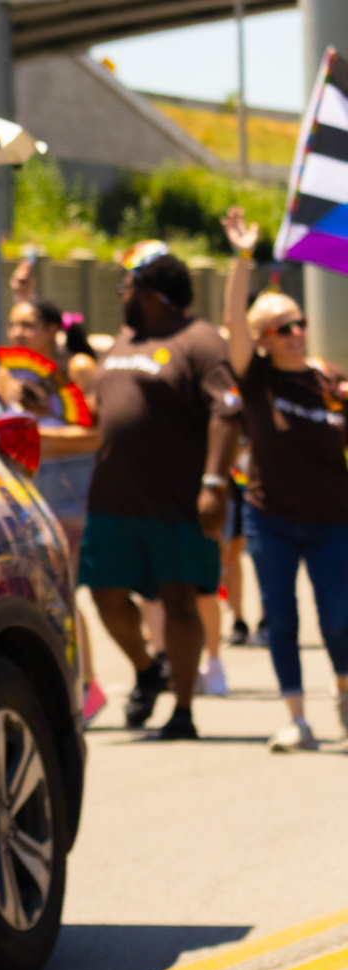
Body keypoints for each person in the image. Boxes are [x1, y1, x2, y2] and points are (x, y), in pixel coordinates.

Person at [78, 241, 242, 739]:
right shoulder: (123, 341)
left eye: (127, 285)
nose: (121, 294)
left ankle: (184, 711)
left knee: (179, 604)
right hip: (112, 501)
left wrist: (215, 482)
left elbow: (228, 410)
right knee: (105, 595)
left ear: (152, 293)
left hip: (175, 502)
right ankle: (149, 672)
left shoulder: (200, 341)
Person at [221, 207, 348, 751]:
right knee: (282, 618)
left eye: (300, 324)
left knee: (340, 619)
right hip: (271, 518)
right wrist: (243, 258)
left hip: (333, 520)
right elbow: (233, 324)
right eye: (282, 328)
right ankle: (295, 716)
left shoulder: (330, 381)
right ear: (262, 339)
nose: (297, 334)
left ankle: (344, 695)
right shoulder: (257, 381)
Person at [0, 261, 106, 720]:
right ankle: (76, 683)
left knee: (64, 592)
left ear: (52, 331)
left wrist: (37, 440)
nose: (19, 334)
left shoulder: (78, 368)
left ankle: (88, 685)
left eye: (30, 325)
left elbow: (97, 433)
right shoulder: (7, 371)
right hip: (25, 491)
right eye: (14, 324)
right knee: (39, 593)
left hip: (71, 492)